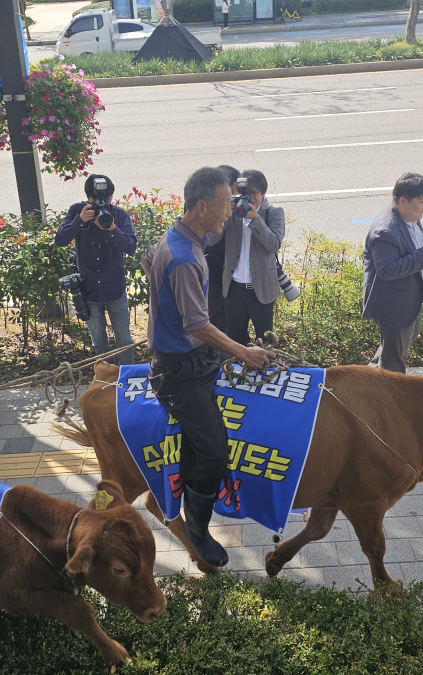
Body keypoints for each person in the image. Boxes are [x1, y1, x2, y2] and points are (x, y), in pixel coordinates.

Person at [141, 166, 273, 568]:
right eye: (221, 209)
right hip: (180, 373)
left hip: (195, 358)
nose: (227, 215)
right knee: (214, 450)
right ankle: (197, 530)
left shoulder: (178, 237)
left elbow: (149, 263)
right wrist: (242, 351)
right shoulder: (184, 258)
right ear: (200, 208)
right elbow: (196, 323)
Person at [361, 173, 423, 373]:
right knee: (394, 359)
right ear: (403, 201)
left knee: (394, 348)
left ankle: (369, 378)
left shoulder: (408, 216)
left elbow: (413, 243)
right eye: (421, 201)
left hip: (410, 297)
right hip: (394, 304)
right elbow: (387, 270)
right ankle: (389, 397)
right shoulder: (385, 231)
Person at [55, 174, 137, 365]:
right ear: (87, 198)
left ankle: (126, 383)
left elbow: (131, 247)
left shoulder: (117, 213)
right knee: (99, 344)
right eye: (95, 202)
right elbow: (60, 240)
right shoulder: (77, 210)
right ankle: (106, 382)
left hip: (114, 288)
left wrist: (112, 228)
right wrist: (79, 220)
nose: (101, 206)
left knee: (125, 341)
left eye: (106, 201)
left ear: (111, 198)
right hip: (89, 290)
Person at [221, 169, 285, 347]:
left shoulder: (273, 212)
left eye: (253, 193)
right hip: (235, 289)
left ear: (263, 192)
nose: (249, 198)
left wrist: (255, 219)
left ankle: (263, 374)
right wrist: (224, 214)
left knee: (265, 343)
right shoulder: (233, 211)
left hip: (261, 291)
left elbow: (273, 244)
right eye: (245, 193)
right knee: (234, 343)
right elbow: (212, 240)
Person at [205, 165, 239, 331]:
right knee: (217, 320)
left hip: (235, 276)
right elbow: (209, 240)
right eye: (233, 192)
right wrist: (225, 214)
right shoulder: (206, 206)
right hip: (215, 275)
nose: (236, 197)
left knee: (233, 324)